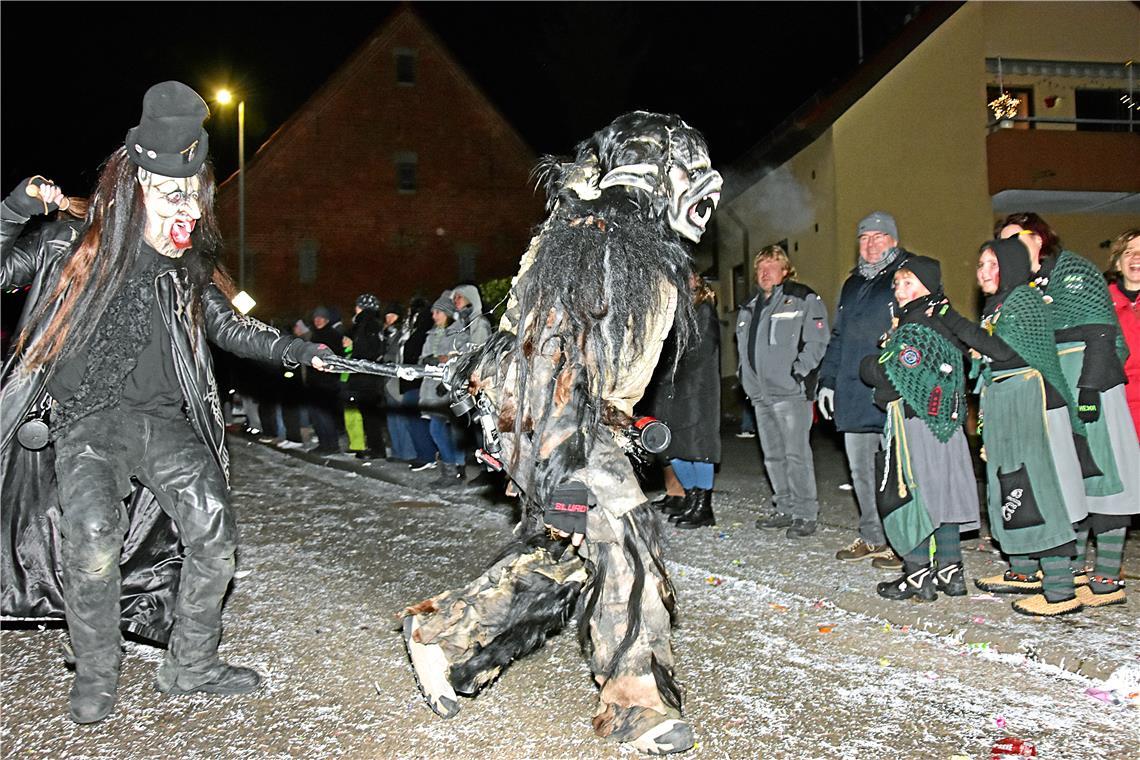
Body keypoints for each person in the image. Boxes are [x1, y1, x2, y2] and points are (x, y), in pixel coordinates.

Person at [0, 81, 335, 723]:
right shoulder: (71, 246)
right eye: (166, 191)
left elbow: (231, 327)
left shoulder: (187, 266)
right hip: (86, 424)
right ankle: (96, 672)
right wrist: (15, 210)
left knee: (215, 530)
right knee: (93, 537)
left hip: (163, 422)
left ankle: (193, 665)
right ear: (135, 186)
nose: (179, 204)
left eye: (189, 192)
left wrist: (298, 353)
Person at [400, 112, 723, 755]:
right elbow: (543, 344)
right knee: (624, 533)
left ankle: (446, 635)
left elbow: (616, 363)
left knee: (575, 555)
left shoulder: (648, 253)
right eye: (688, 169)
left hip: (584, 417)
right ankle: (634, 699)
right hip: (551, 417)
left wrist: (625, 420)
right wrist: (549, 431)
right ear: (659, 171)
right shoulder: (594, 229)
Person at [931, 238, 1088, 616]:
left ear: (1011, 265)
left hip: (1031, 403)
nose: (983, 272)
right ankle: (1030, 573)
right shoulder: (997, 306)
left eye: (992, 264)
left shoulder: (1023, 300)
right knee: (1015, 487)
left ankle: (1061, 591)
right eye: (980, 265)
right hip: (1008, 402)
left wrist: (951, 318)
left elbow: (1003, 352)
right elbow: (988, 353)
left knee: (1038, 490)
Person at [996, 213, 1139, 608]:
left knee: (1106, 477)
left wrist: (1090, 387)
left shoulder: (1073, 269)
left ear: (1040, 239)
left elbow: (1099, 332)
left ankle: (1108, 578)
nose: (1012, 248)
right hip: (1056, 387)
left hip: (1091, 382)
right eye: (1004, 242)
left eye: (1019, 238)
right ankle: (1071, 569)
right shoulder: (1022, 285)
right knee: (1064, 478)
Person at [858, 256, 980, 601]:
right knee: (945, 491)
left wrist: (870, 363)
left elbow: (887, 374)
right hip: (948, 423)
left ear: (928, 286)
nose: (899, 290)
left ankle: (916, 576)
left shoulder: (915, 327)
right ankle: (950, 570)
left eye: (908, 282)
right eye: (897, 284)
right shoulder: (944, 323)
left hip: (918, 422)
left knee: (913, 492)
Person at [817, 212, 912, 567]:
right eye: (864, 238)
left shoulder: (907, 276)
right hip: (854, 392)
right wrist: (827, 381)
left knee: (895, 471)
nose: (870, 244)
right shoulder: (853, 283)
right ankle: (872, 535)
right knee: (860, 470)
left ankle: (902, 541)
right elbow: (839, 336)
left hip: (891, 390)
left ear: (893, 240)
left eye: (878, 237)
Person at [737, 245, 830, 538]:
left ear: (785, 270)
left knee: (796, 454)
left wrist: (799, 373)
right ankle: (785, 507)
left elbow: (818, 341)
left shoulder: (802, 298)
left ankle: (805, 512)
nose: (765, 273)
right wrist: (744, 377)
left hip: (790, 392)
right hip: (760, 394)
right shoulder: (749, 306)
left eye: (772, 266)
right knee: (773, 456)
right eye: (761, 268)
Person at [656, 275, 721, 529]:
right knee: (675, 446)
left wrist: (670, 372)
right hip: (672, 387)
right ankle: (692, 500)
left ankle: (704, 507)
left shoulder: (704, 309)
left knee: (698, 447)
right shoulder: (676, 312)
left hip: (696, 389)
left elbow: (700, 351)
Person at [419, 291, 466, 486]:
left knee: (452, 429)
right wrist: (427, 359)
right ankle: (452, 469)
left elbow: (462, 357)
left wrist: (442, 360)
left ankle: (455, 470)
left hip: (450, 387)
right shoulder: (432, 335)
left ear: (446, 313)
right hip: (432, 387)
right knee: (437, 428)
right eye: (433, 313)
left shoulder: (459, 333)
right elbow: (422, 358)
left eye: (437, 313)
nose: (434, 316)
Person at [342, 293, 388, 459]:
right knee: (368, 415)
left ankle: (377, 450)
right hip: (369, 377)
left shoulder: (365, 324)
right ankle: (375, 448)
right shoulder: (373, 324)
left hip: (364, 377)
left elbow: (365, 351)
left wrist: (353, 349)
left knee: (369, 416)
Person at [1107, 228, 1140, 436]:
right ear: (1118, 263)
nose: (1136, 256)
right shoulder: (1100, 307)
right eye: (1128, 251)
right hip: (1121, 415)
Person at [306, 305, 344, 454]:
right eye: (316, 318)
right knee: (316, 415)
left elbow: (336, 358)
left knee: (325, 415)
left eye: (321, 318)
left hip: (326, 382)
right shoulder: (315, 335)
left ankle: (331, 444)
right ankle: (323, 443)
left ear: (327, 319)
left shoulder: (332, 335)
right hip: (314, 382)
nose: (318, 320)